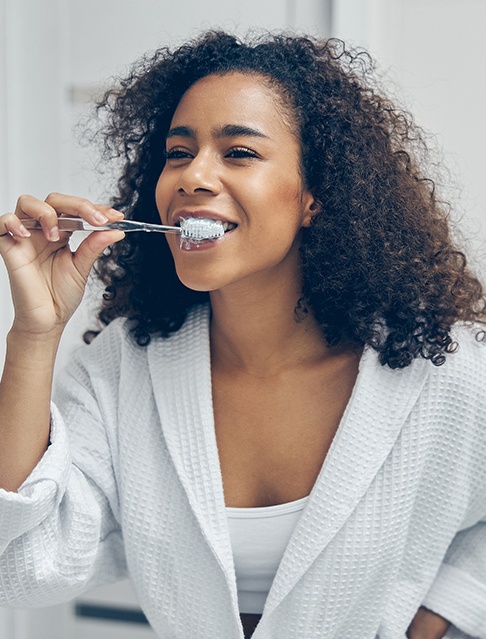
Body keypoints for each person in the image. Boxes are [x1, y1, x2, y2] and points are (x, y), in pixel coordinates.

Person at [0, 30, 485, 639]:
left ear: (314, 195)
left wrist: (444, 609)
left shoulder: (444, 368)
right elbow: (18, 567)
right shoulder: (121, 369)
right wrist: (33, 335)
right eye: (178, 152)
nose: (193, 176)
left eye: (240, 153)